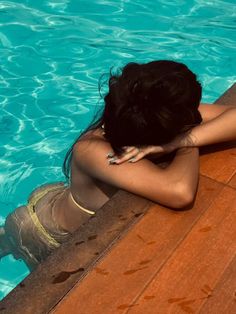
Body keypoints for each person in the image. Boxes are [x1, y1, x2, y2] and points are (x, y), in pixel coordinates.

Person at [0, 60, 235, 270]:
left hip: (63, 205)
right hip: (44, 232)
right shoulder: (94, 150)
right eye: (190, 114)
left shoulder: (147, 118)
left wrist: (181, 136)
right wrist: (186, 139)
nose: (195, 115)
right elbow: (179, 191)